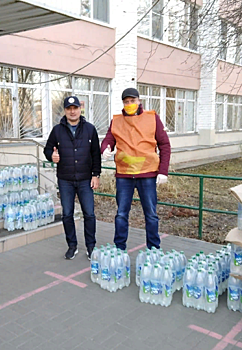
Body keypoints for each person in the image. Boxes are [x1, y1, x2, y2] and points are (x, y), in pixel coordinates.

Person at [101, 87, 171, 251]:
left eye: (133, 101)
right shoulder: (117, 121)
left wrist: (163, 171)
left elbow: (165, 145)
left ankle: (154, 249)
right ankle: (119, 248)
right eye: (126, 102)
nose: (130, 104)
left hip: (147, 174)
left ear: (139, 101)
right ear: (123, 103)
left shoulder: (152, 118)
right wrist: (105, 148)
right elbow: (108, 139)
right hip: (124, 175)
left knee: (151, 215)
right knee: (121, 214)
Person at [44, 96, 101, 260]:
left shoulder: (90, 129)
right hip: (65, 180)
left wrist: (96, 175)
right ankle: (72, 246)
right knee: (67, 214)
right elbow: (48, 150)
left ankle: (91, 247)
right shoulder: (57, 130)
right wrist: (51, 156)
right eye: (69, 108)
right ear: (65, 111)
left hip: (85, 179)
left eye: (75, 108)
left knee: (89, 214)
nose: (72, 111)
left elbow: (95, 154)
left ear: (80, 109)